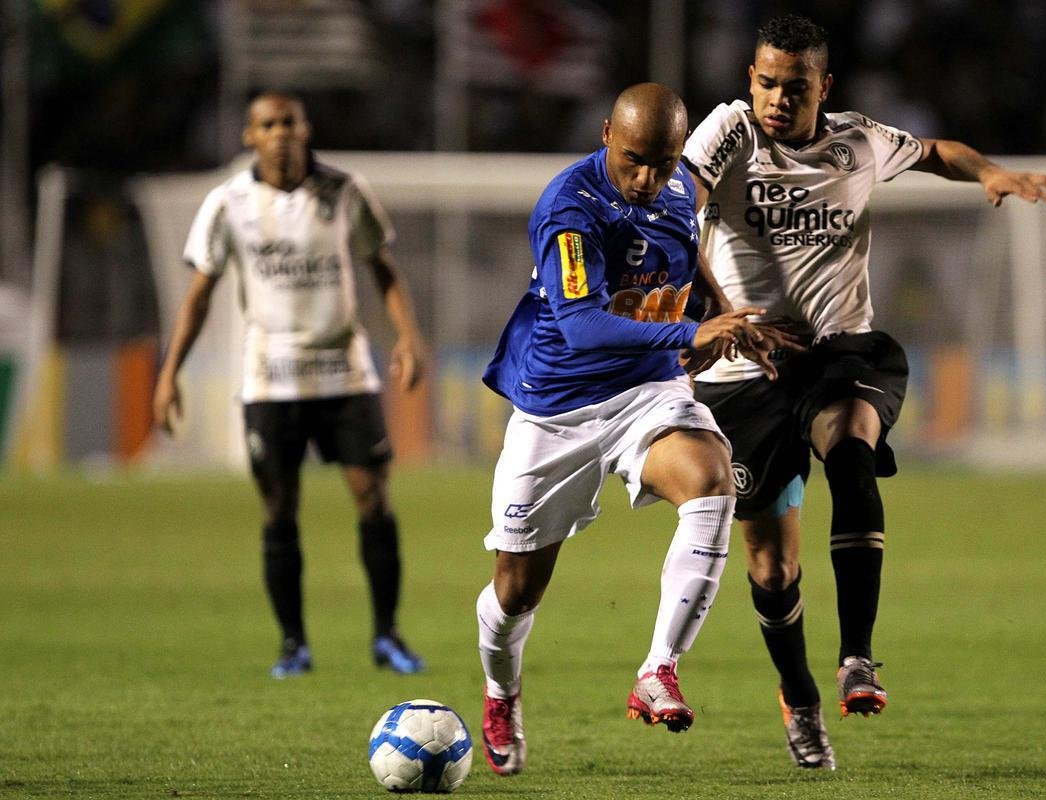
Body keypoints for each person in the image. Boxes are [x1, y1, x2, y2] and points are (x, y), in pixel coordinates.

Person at [682, 14, 1046, 769]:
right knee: (772, 568)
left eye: (796, 86)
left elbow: (936, 153)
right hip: (745, 372)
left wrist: (988, 172)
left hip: (836, 352)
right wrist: (717, 313)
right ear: (748, 81)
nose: (777, 99)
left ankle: (858, 657)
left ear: (826, 86)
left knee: (852, 445)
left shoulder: (858, 141)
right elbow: (672, 210)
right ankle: (799, 696)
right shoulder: (726, 135)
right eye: (765, 82)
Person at [475, 82, 796, 777]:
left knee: (712, 481)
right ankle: (501, 689)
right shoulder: (570, 207)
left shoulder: (680, 188)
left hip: (649, 388)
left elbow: (687, 255)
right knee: (516, 591)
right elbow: (582, 327)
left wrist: (729, 316)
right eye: (633, 160)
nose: (649, 178)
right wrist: (692, 328)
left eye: (663, 160)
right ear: (604, 136)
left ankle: (659, 671)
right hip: (559, 406)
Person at [152, 92, 430, 679]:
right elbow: (199, 296)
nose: (280, 133)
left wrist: (407, 337)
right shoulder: (228, 203)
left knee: (373, 498)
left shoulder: (344, 191)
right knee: (279, 509)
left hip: (345, 371)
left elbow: (383, 269)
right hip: (269, 377)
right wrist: (169, 372)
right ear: (250, 136)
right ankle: (293, 645)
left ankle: (386, 635)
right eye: (267, 124)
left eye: (289, 123)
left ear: (306, 129)